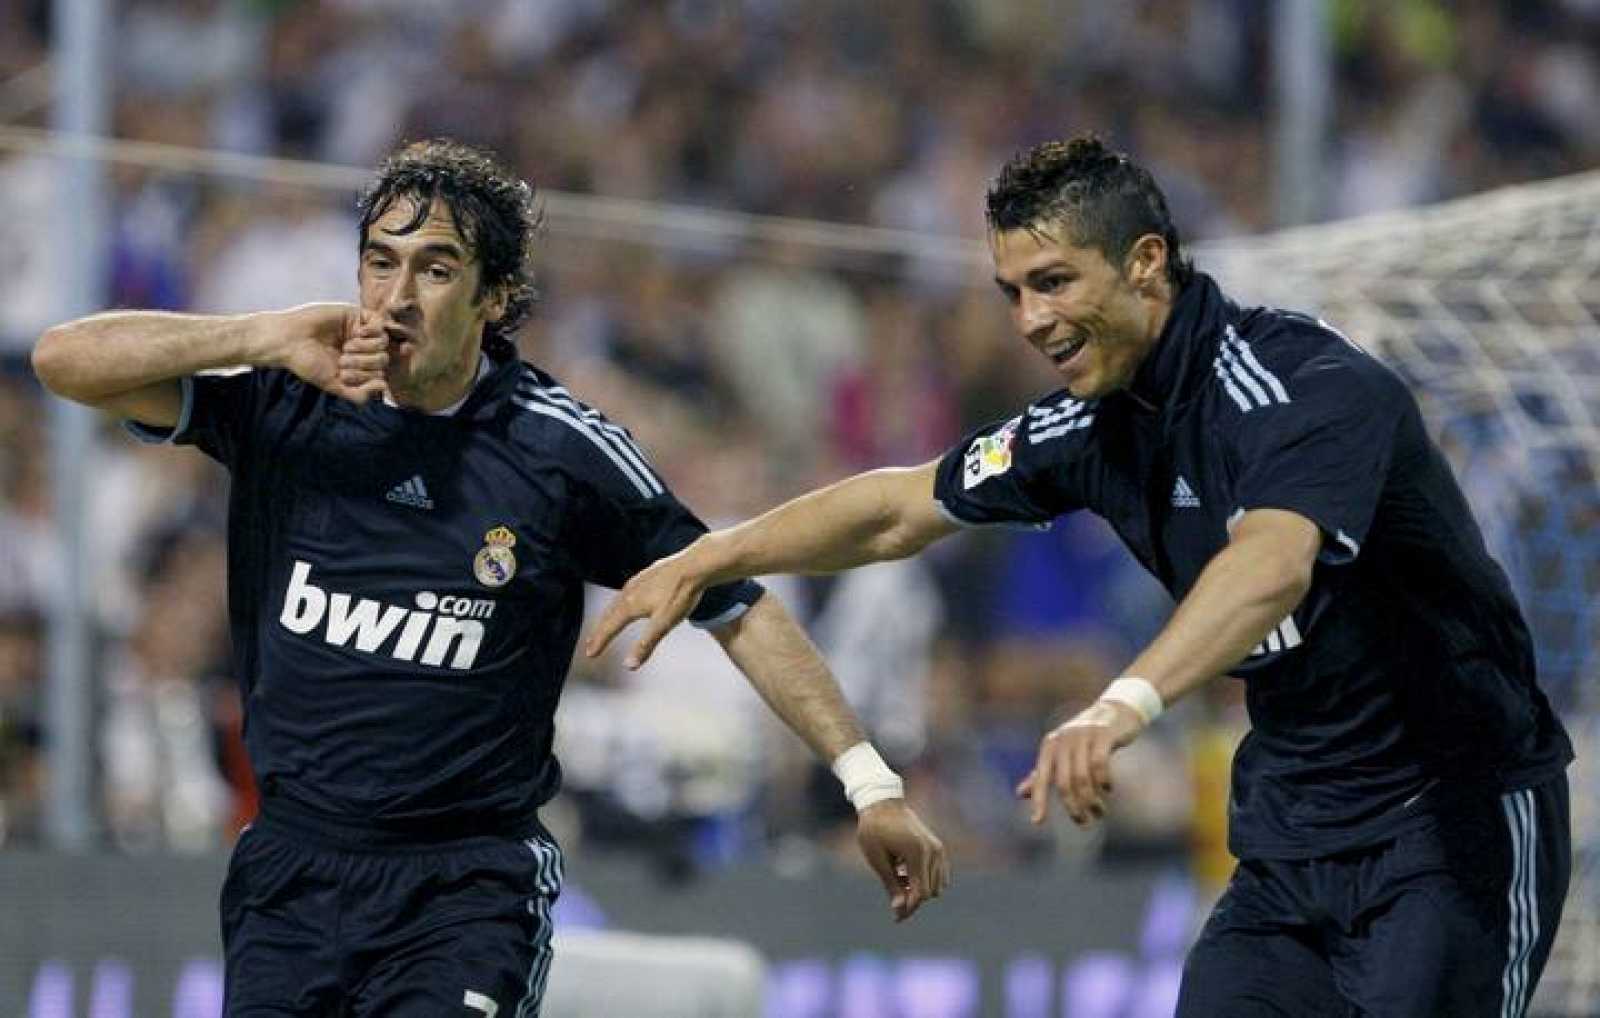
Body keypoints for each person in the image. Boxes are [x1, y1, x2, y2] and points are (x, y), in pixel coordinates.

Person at [587, 135, 1575, 1018]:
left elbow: (1270, 567)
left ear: (1146, 265)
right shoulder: (1090, 427)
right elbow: (896, 507)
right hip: (1290, 845)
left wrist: (1118, 706)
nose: (1029, 318)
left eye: (1053, 281)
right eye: (1012, 291)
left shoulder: (1301, 389)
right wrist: (712, 551)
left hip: (1450, 825)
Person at [32, 138, 947, 1017]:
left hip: (463, 889)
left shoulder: (558, 452)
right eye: (379, 262)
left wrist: (870, 784)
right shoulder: (289, 398)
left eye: (434, 269)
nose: (396, 296)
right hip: (290, 874)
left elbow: (737, 602)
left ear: (494, 297)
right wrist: (261, 334)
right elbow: (63, 362)